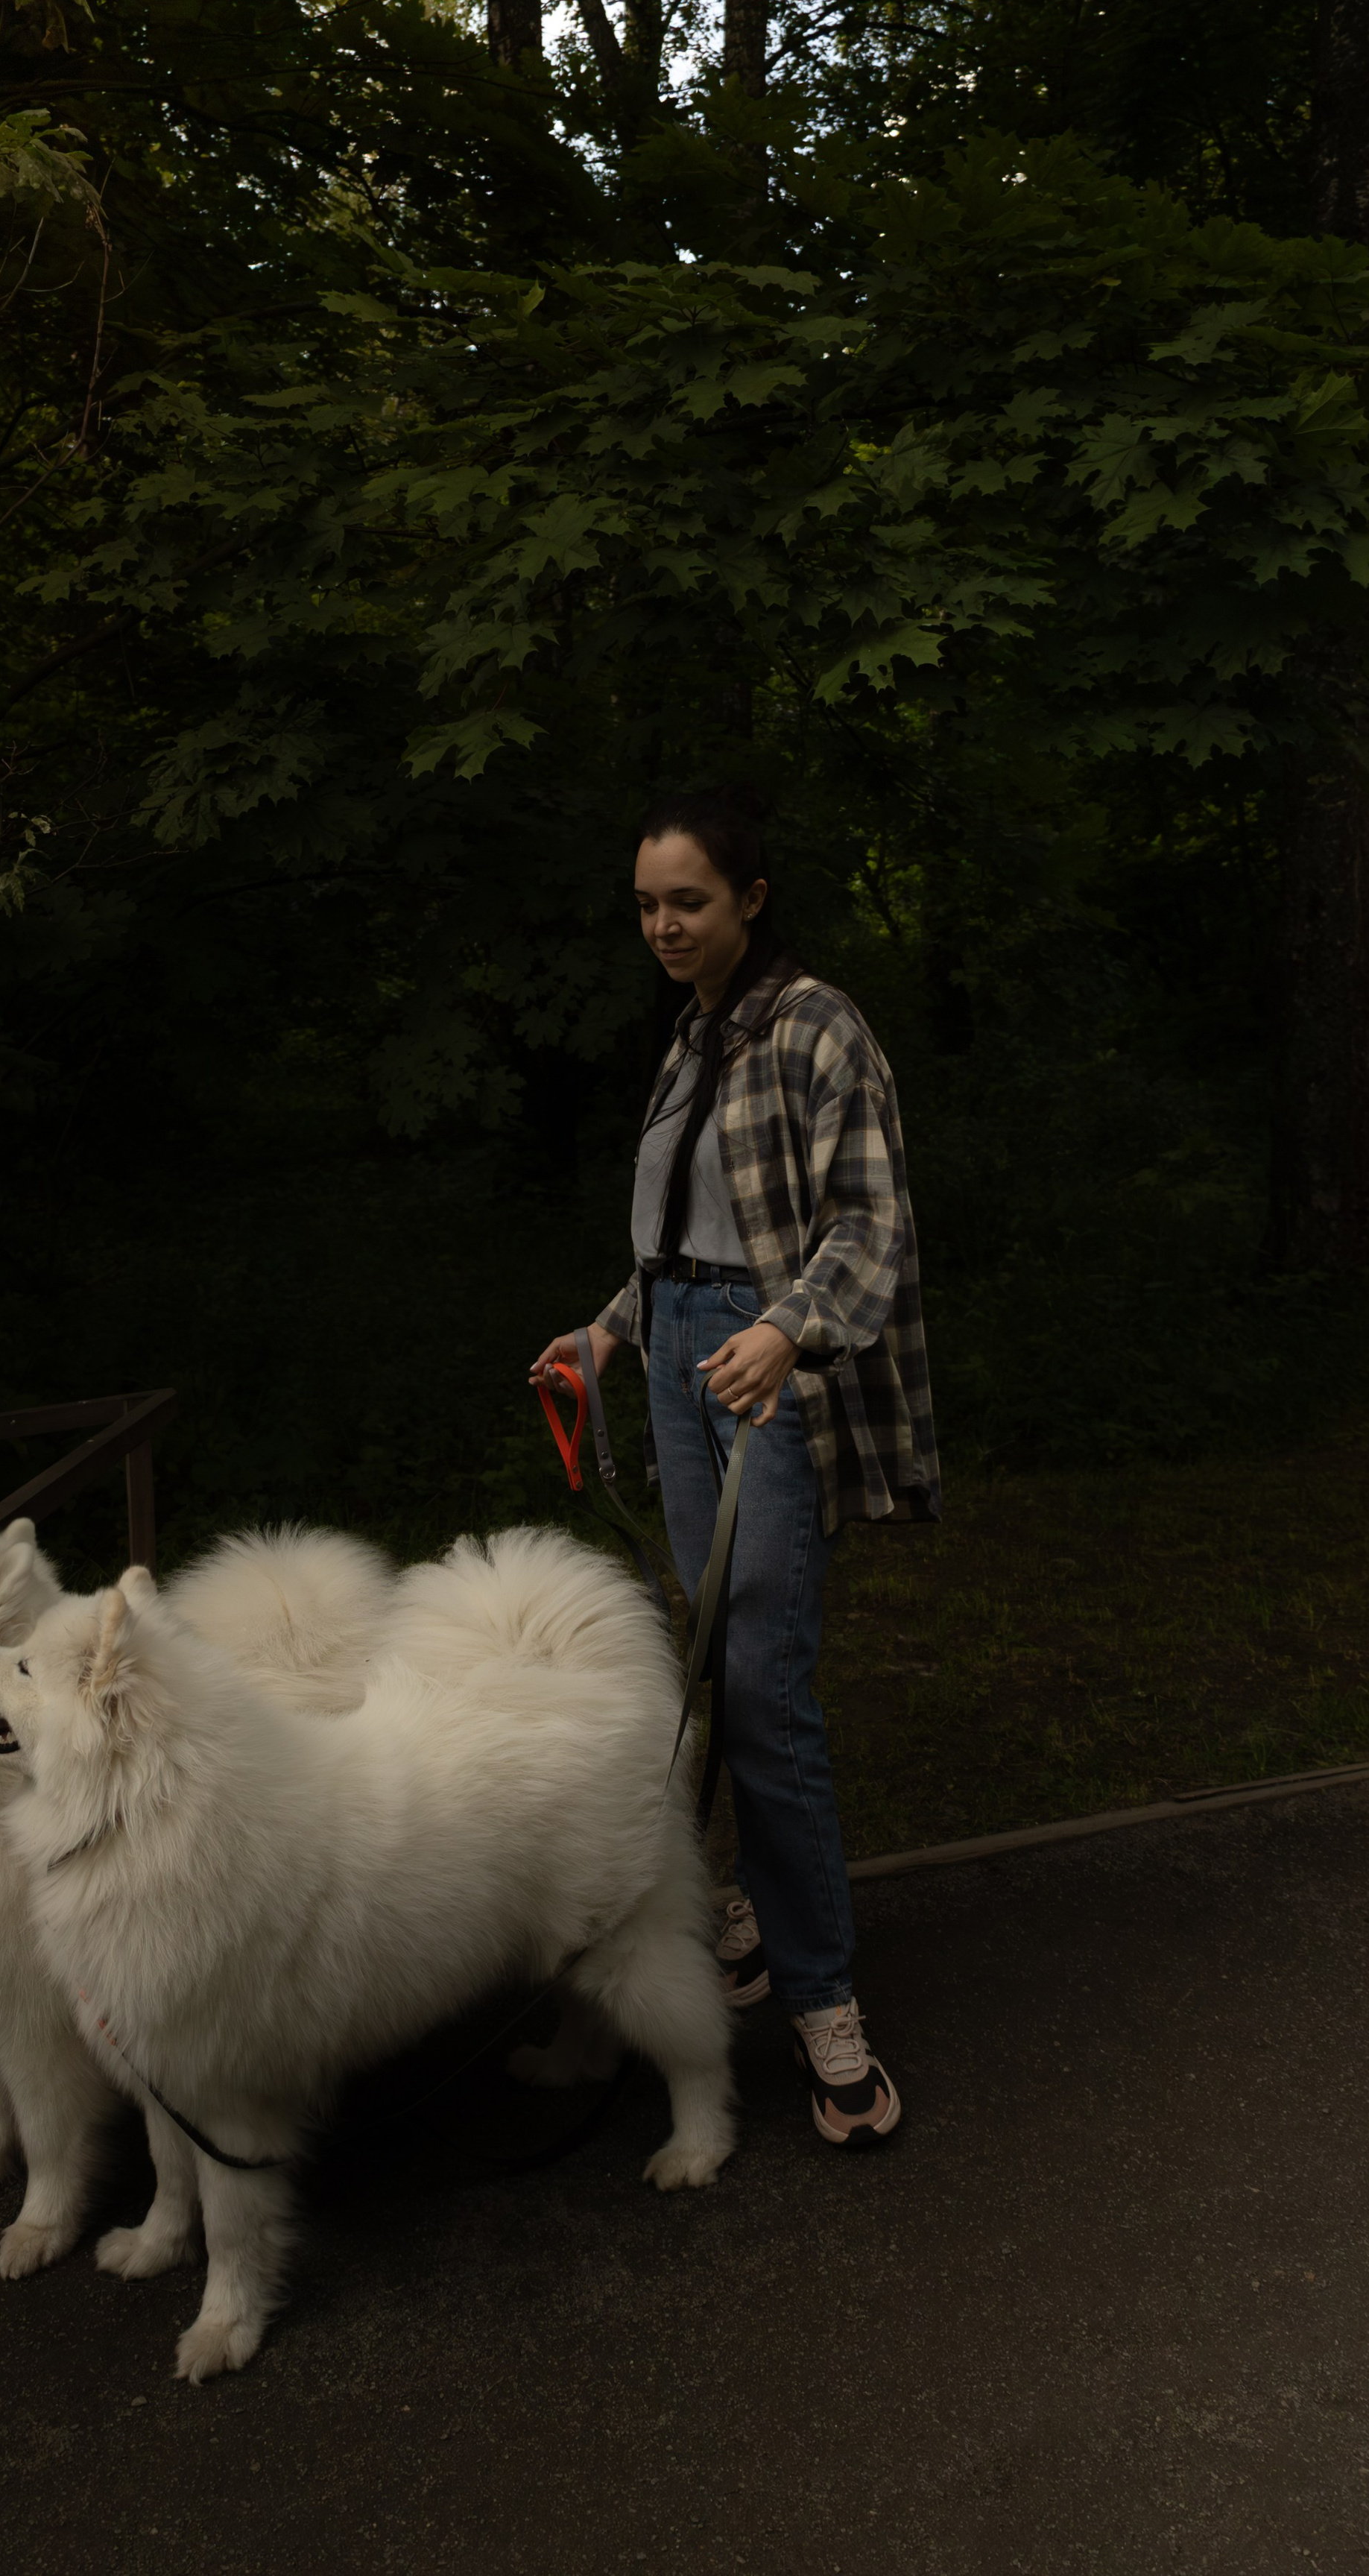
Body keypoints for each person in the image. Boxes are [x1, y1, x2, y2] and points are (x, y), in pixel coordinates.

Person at [531, 785, 938, 2147]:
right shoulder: (690, 1040)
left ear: (751, 900)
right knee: (703, 1658)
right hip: (678, 1362)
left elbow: (868, 1228)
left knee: (764, 1686)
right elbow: (678, 1250)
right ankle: (751, 1913)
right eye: (647, 904)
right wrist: (602, 1334)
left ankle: (826, 2010)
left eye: (688, 901)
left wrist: (786, 1329)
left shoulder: (818, 1026)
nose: (663, 925)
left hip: (772, 1371)